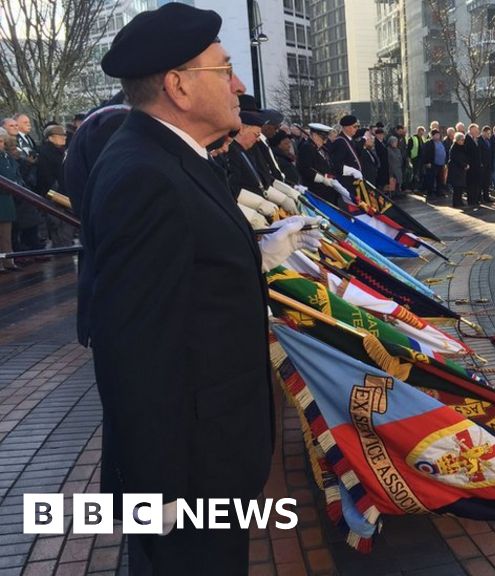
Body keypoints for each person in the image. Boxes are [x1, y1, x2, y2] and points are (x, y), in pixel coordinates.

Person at [77, 3, 320, 573]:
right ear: (178, 87)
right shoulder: (144, 174)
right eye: (226, 70)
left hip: (209, 459)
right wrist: (155, 492)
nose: (238, 85)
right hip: (186, 479)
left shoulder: (169, 159)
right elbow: (133, 345)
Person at [35, 124, 75, 247]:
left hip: (65, 191)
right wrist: (54, 188)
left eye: (64, 135)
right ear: (50, 137)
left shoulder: (64, 151)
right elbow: (45, 174)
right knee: (58, 222)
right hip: (54, 193)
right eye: (60, 135)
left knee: (67, 222)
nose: (64, 138)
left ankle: (65, 245)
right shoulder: (45, 152)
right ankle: (62, 247)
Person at [297, 123, 342, 203]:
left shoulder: (321, 148)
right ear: (314, 135)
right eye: (323, 138)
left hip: (328, 191)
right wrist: (322, 179)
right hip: (317, 191)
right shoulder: (307, 148)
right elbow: (305, 169)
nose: (325, 141)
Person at [329, 114, 364, 190]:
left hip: (353, 181)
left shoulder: (350, 140)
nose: (357, 129)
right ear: (346, 127)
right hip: (346, 182)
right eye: (354, 127)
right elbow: (337, 164)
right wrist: (352, 171)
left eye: (357, 127)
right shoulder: (340, 142)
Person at [0, 136, 19, 271]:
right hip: (3, 196)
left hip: (6, 200)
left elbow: (15, 173)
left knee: (6, 235)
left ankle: (8, 262)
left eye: (1, 141)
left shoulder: (6, 156)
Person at [448, 132, 469, 207]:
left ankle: (460, 201)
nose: (463, 141)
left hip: (461, 170)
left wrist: (466, 164)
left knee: (460, 187)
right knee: (456, 187)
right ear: (457, 140)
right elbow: (456, 159)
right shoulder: (454, 148)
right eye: (461, 140)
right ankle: (456, 202)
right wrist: (464, 165)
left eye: (463, 140)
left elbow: (465, 157)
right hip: (456, 170)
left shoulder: (462, 147)